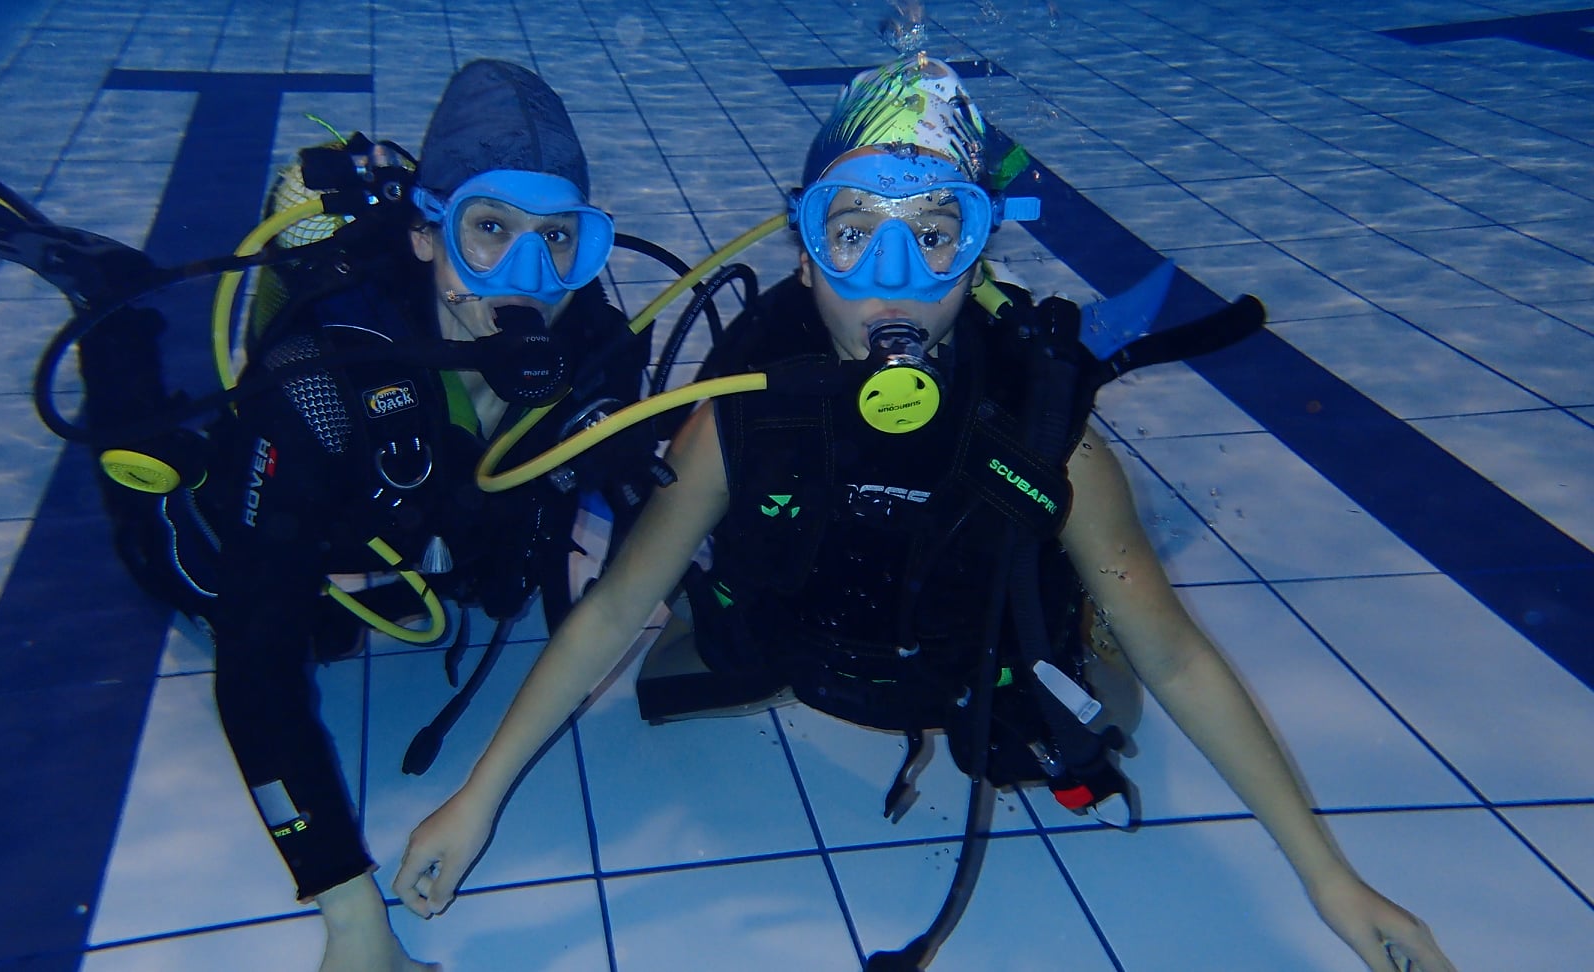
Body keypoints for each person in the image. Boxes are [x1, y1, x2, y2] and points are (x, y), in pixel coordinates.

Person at [390, 57, 1457, 971]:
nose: (891, 285)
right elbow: (617, 601)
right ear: (805, 254)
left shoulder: (1046, 438)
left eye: (934, 235)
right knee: (680, 640)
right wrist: (479, 798)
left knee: (1102, 715)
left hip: (962, 665)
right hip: (809, 651)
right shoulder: (740, 419)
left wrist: (1327, 880)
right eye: (853, 236)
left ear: (978, 254)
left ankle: (1082, 599)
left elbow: (1176, 659)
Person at [0, 59, 662, 972]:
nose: (533, 275)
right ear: (424, 235)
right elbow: (254, 670)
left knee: (437, 593)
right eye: (491, 230)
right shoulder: (323, 383)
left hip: (425, 508)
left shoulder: (596, 346)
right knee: (183, 569)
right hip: (324, 475)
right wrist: (350, 912)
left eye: (560, 238)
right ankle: (110, 309)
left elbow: (608, 496)